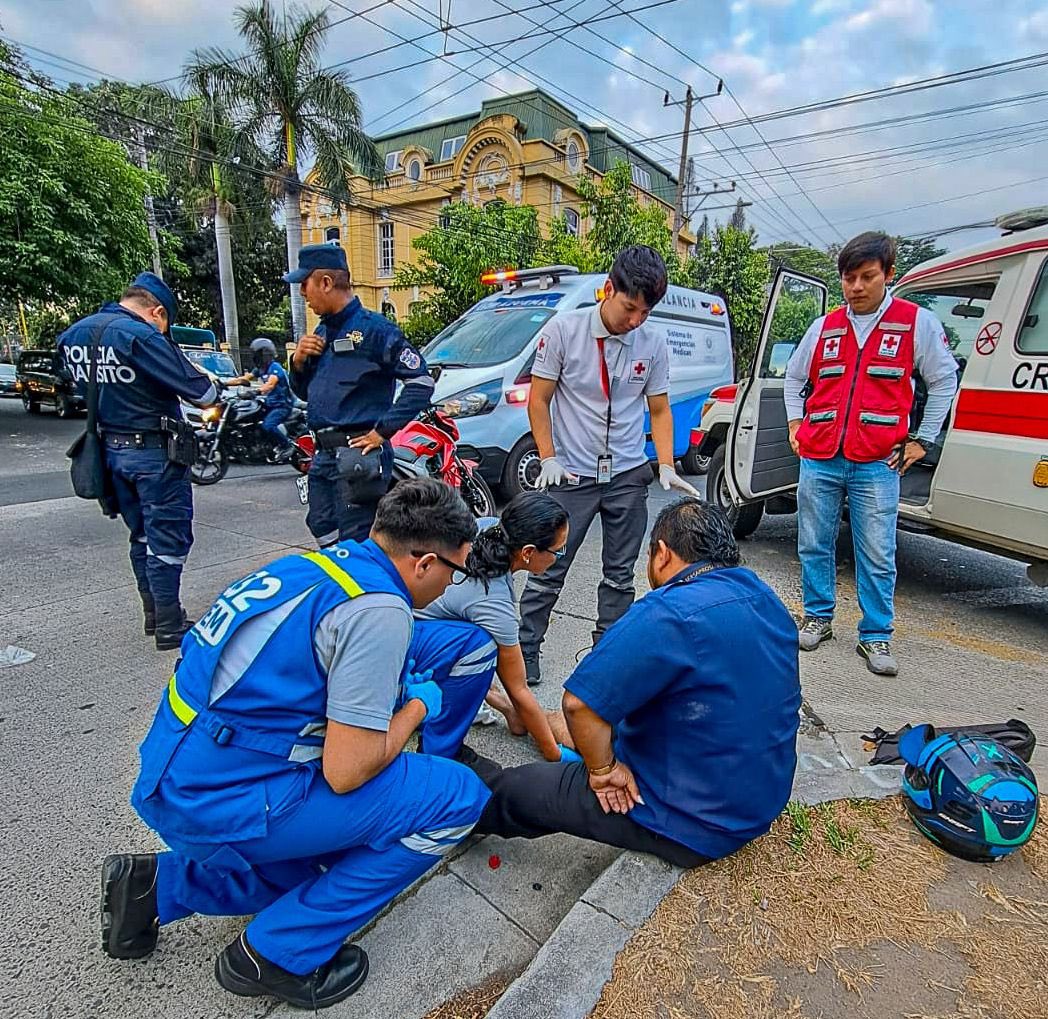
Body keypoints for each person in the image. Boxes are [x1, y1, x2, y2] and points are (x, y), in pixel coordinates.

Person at [99, 479, 489, 1010]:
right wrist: (418, 707)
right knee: (457, 796)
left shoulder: (313, 568)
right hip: (227, 798)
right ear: (424, 563)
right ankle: (276, 954)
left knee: (315, 867)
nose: (450, 586)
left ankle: (155, 887)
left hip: (181, 775)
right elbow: (348, 772)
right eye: (455, 571)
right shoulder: (379, 611)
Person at [469, 499, 801, 868]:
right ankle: (525, 721)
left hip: (693, 822)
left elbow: (579, 703)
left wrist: (602, 771)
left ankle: (447, 803)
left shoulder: (670, 611)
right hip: (758, 800)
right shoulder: (765, 596)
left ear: (661, 554)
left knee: (522, 789)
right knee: (575, 723)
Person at [518, 244, 700, 685]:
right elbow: (538, 400)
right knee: (549, 569)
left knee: (620, 577)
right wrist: (548, 458)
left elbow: (658, 409)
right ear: (607, 290)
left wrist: (666, 464)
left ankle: (607, 659)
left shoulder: (652, 343)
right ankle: (525, 654)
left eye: (646, 312)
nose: (636, 320)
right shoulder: (564, 331)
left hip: (625, 475)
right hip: (572, 475)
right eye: (630, 307)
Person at [784, 231, 959, 677]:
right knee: (813, 543)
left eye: (867, 276)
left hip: (879, 461)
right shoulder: (823, 327)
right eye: (848, 278)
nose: (856, 286)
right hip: (821, 456)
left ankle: (875, 634)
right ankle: (818, 618)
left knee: (878, 551)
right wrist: (793, 425)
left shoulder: (914, 323)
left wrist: (923, 440)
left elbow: (943, 382)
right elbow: (793, 378)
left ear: (888, 275)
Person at [57, 272, 218, 650]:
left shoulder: (76, 334)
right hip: (154, 454)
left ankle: (152, 614)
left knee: (141, 534)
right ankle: (169, 624)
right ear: (157, 313)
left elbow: (74, 384)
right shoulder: (141, 336)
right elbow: (204, 392)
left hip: (110, 452)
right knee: (168, 538)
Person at [407, 492, 583, 762]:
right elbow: (519, 688)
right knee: (480, 647)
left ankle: (497, 704)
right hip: (404, 645)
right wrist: (554, 754)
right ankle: (440, 750)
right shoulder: (492, 601)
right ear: (527, 553)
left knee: (478, 637)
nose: (560, 556)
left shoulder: (489, 528)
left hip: (411, 621)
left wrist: (511, 709)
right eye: (557, 550)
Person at [286, 244, 434, 546]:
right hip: (323, 455)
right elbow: (306, 392)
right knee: (322, 525)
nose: (302, 292)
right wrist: (298, 363)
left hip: (357, 455)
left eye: (305, 284)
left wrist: (382, 432)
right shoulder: (322, 333)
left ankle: (366, 591)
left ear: (326, 283)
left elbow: (421, 383)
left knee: (355, 540)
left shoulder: (375, 330)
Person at [228, 337, 297, 463]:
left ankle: (287, 445)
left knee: (268, 426)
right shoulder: (261, 369)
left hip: (282, 405)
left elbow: (270, 384)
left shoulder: (275, 367)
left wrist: (255, 391)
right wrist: (224, 383)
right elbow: (243, 379)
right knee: (252, 420)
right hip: (270, 403)